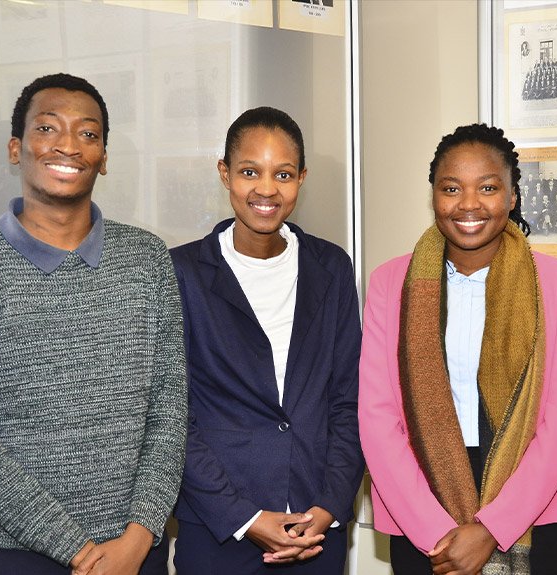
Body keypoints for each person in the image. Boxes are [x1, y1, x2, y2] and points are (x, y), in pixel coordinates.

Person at [0, 73, 186, 574]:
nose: (68, 145)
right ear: (16, 148)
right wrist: (81, 553)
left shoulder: (148, 259)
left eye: (88, 134)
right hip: (16, 556)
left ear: (104, 158)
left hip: (136, 554)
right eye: (48, 128)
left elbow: (169, 410)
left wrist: (138, 536)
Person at [360, 123, 557, 575]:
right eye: (451, 188)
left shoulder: (554, 283)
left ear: (512, 196)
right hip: (419, 510)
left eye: (487, 187)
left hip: (529, 514)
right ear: (433, 197)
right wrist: (433, 532)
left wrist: (492, 528)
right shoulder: (390, 283)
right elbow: (377, 417)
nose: (468, 204)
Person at [170, 107, 363, 574]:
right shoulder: (181, 273)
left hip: (314, 529)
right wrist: (245, 517)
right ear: (225, 173)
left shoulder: (331, 267)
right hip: (218, 528)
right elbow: (173, 415)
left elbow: (348, 400)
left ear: (301, 178)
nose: (266, 189)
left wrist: (329, 506)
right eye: (249, 172)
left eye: (283, 174)